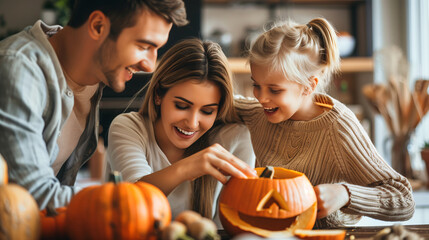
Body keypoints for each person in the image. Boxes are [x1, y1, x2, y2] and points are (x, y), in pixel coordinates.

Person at [0, 0, 188, 210]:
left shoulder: (94, 74)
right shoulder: (18, 70)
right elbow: (33, 195)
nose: (150, 65)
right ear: (98, 26)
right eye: (143, 46)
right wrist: (128, 202)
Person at [234, 18, 415, 228]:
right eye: (256, 85)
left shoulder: (338, 127)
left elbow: (404, 200)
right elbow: (221, 102)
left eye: (275, 90)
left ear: (308, 86)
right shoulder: (259, 113)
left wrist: (345, 194)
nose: (261, 98)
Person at [107, 38, 257, 226]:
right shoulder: (129, 127)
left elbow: (230, 229)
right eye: (181, 106)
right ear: (158, 95)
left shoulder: (235, 137)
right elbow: (132, 199)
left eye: (207, 111)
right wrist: (187, 168)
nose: (192, 123)